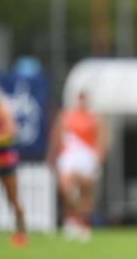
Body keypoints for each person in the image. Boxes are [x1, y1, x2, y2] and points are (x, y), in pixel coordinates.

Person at [47, 91, 106, 241]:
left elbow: (102, 138)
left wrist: (98, 158)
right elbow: (56, 137)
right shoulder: (65, 116)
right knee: (65, 186)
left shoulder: (93, 118)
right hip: (70, 156)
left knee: (85, 192)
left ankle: (83, 223)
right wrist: (52, 157)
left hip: (87, 157)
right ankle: (74, 216)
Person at [0, 78, 27, 247]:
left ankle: (20, 231)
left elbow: (11, 132)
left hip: (5, 160)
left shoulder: (2, 109)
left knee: (12, 198)